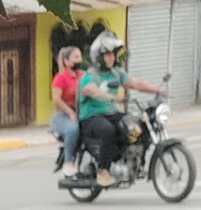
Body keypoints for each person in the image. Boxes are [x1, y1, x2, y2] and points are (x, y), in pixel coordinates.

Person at [77, 30, 163, 187]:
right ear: (99, 57)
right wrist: (112, 97)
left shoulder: (116, 73)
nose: (111, 57)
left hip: (112, 113)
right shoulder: (90, 76)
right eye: (108, 54)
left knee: (135, 126)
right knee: (108, 130)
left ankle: (130, 163)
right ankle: (103, 170)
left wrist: (158, 89)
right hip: (91, 117)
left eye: (113, 54)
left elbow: (136, 83)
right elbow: (90, 90)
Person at [50, 44, 85, 179]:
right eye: (75, 57)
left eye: (80, 56)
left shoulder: (83, 76)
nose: (79, 60)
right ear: (66, 61)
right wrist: (70, 112)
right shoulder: (61, 78)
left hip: (81, 112)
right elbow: (56, 100)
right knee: (73, 129)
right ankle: (68, 162)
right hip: (63, 115)